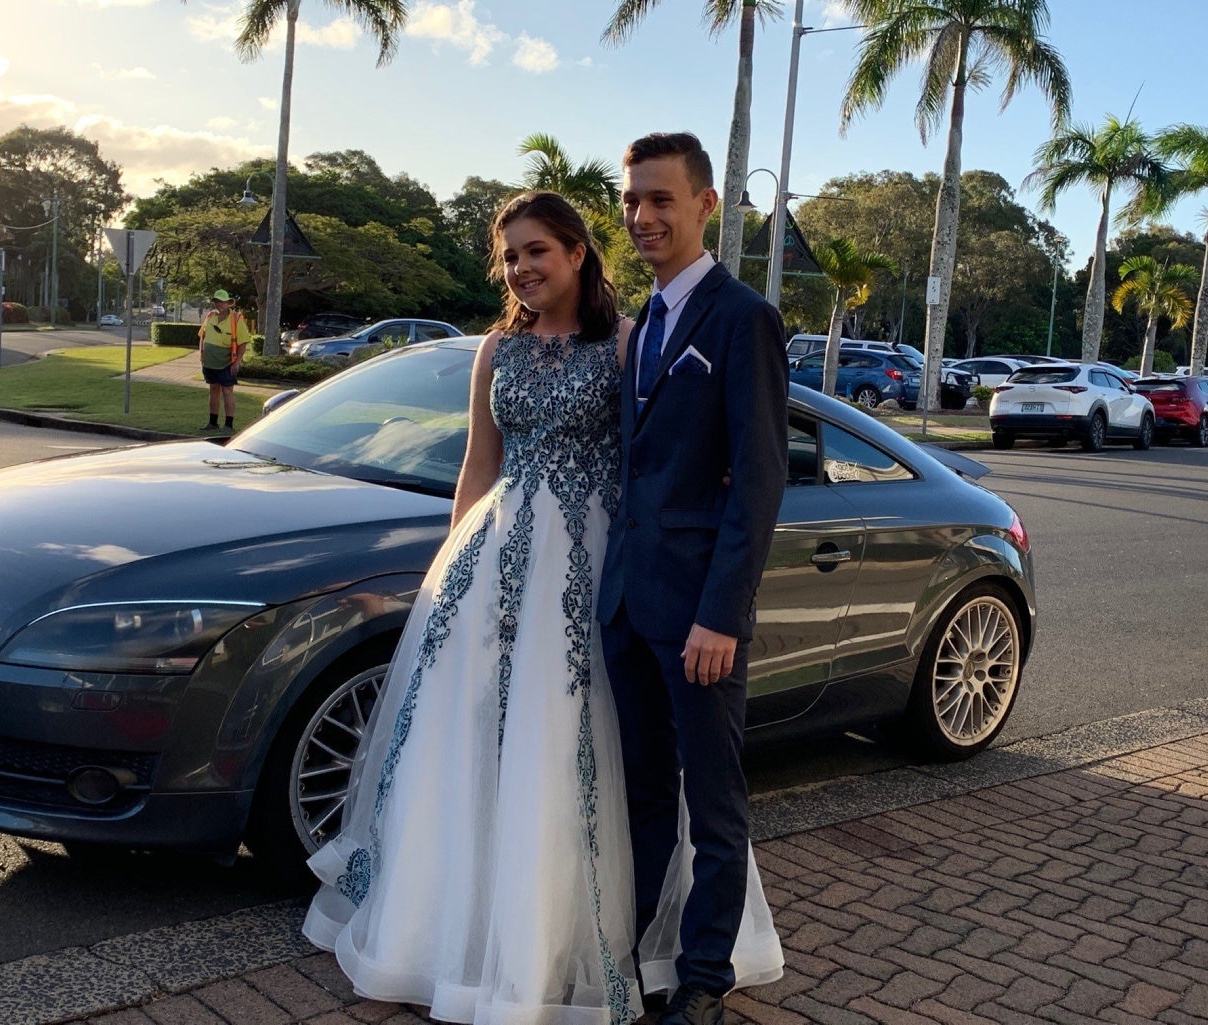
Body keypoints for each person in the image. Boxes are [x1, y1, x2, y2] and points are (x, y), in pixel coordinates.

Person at [303, 190, 780, 1025]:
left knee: (574, 754)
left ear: (577, 254)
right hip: (493, 564)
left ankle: (576, 943)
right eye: (511, 256)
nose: (523, 269)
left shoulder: (628, 342)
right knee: (477, 748)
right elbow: (477, 469)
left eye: (539, 252)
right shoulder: (496, 350)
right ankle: (467, 931)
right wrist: (452, 572)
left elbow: (666, 451)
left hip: (598, 568)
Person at [597, 132, 790, 1025]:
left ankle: (704, 979)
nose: (642, 217)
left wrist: (722, 614)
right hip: (632, 608)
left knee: (713, 809)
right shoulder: (642, 325)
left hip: (701, 620)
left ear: (707, 205)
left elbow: (758, 479)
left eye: (661, 199)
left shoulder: (741, 317)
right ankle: (634, 956)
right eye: (633, 199)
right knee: (639, 796)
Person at [198, 289, 250, 431]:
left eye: (222, 301)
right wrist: (201, 356)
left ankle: (228, 425)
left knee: (227, 392)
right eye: (217, 301)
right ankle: (212, 423)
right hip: (209, 363)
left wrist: (237, 361)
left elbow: (243, 342)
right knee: (213, 390)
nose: (219, 304)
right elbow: (202, 336)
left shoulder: (236, 319)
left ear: (228, 303)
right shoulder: (210, 317)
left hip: (227, 363)